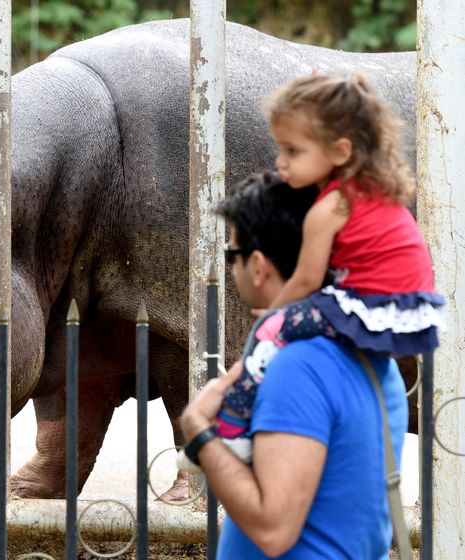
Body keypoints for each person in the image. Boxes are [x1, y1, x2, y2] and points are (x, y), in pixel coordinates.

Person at [211, 72, 444, 455]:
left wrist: (273, 312)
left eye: (293, 151)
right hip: (405, 306)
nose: (280, 162)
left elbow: (305, 280)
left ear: (339, 152)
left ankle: (233, 427)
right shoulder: (374, 190)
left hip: (367, 304)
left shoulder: (329, 208)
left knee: (268, 333)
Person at [180, 171, 408, 558]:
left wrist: (199, 432)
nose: (231, 269)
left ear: (257, 264)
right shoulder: (371, 357)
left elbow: (274, 528)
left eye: (230, 256)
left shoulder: (298, 367)